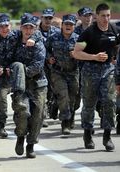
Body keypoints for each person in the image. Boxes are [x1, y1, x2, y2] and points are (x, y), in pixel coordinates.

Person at [73, 3, 120, 151]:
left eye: (108, 15)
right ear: (96, 16)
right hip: (90, 70)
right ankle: (88, 134)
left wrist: (114, 57)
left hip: (108, 70)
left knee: (109, 102)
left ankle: (107, 136)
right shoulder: (89, 33)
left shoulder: (114, 30)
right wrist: (94, 56)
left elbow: (117, 46)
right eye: (103, 16)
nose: (106, 19)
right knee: (89, 103)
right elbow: (76, 52)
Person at [13, 13, 47, 158]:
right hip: (21, 86)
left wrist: (19, 71)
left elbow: (37, 67)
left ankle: (31, 144)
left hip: (38, 83)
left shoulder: (38, 44)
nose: (28, 31)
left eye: (31, 28)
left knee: (37, 114)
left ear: (35, 29)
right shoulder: (14, 40)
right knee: (22, 112)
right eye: (25, 27)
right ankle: (21, 136)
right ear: (20, 28)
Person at [46, 14, 79, 135]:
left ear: (74, 26)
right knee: (63, 95)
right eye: (66, 24)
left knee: (73, 97)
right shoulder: (53, 37)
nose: (68, 26)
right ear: (62, 25)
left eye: (71, 24)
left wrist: (77, 55)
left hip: (73, 72)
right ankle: (65, 122)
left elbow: (86, 53)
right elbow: (45, 49)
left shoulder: (79, 39)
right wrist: (49, 58)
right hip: (58, 72)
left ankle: (71, 115)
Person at [39, 8, 61, 124]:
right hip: (40, 66)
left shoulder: (57, 32)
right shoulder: (35, 31)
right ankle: (42, 115)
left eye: (50, 18)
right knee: (43, 90)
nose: (47, 20)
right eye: (45, 17)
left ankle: (53, 107)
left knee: (56, 91)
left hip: (55, 66)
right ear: (41, 18)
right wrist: (47, 57)